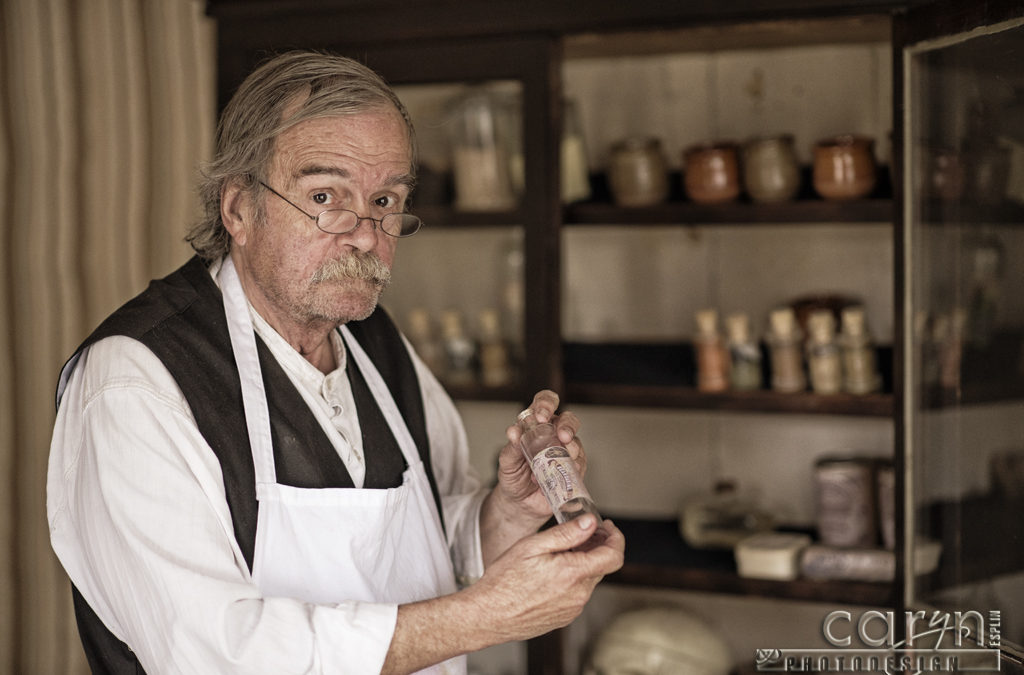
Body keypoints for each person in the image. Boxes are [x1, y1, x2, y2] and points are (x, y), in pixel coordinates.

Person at [46, 50, 624, 674]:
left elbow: (427, 556)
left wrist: (512, 511)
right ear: (239, 208)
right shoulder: (138, 382)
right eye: (325, 196)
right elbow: (216, 653)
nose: (366, 234)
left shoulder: (374, 342)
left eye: (385, 201)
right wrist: (484, 617)